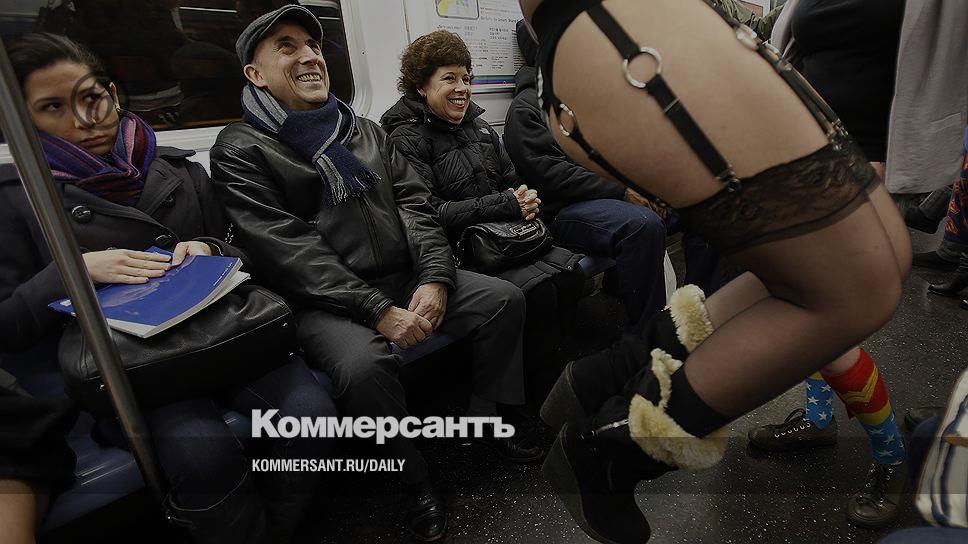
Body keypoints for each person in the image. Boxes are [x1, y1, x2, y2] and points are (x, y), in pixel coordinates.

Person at [516, 0, 911, 542]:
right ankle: (611, 449)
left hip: (627, 34)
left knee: (884, 259)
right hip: (625, 34)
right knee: (856, 293)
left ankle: (610, 374)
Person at [208, 6, 542, 542]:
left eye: (313, 45)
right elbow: (287, 249)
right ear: (255, 73)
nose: (309, 55)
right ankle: (413, 478)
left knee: (503, 300)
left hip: (402, 275)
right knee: (364, 368)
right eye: (287, 47)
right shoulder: (241, 148)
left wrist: (434, 278)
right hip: (323, 300)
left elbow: (416, 207)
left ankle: (488, 415)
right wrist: (377, 310)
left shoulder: (363, 131)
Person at [0, 32, 337, 543]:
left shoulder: (179, 169)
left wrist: (208, 248)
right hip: (137, 367)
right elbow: (8, 326)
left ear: (112, 94)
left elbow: (246, 252)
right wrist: (74, 271)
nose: (84, 120)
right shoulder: (21, 200)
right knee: (205, 457)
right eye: (52, 107)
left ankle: (278, 525)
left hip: (228, 336)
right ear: (24, 121)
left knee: (313, 421)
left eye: (91, 97)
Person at [738, 0, 914, 528]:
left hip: (865, 160)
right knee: (804, 304)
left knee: (828, 324)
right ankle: (819, 418)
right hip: (803, 158)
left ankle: (891, 456)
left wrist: (885, 152)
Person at [379, 29, 584, 394]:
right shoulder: (403, 140)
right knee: (536, 293)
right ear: (421, 87)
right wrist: (507, 204)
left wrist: (525, 199)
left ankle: (555, 376)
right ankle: (533, 393)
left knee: (570, 275)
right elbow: (430, 213)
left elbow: (512, 182)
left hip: (502, 238)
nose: (463, 88)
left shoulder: (482, 130)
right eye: (449, 79)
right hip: (457, 251)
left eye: (466, 78)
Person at [506, 19, 722, 314]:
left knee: (704, 207)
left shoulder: (582, 102)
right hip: (562, 211)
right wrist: (622, 191)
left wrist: (648, 189)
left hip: (609, 200)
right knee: (642, 225)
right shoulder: (527, 108)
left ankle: (700, 308)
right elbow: (551, 175)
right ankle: (649, 331)